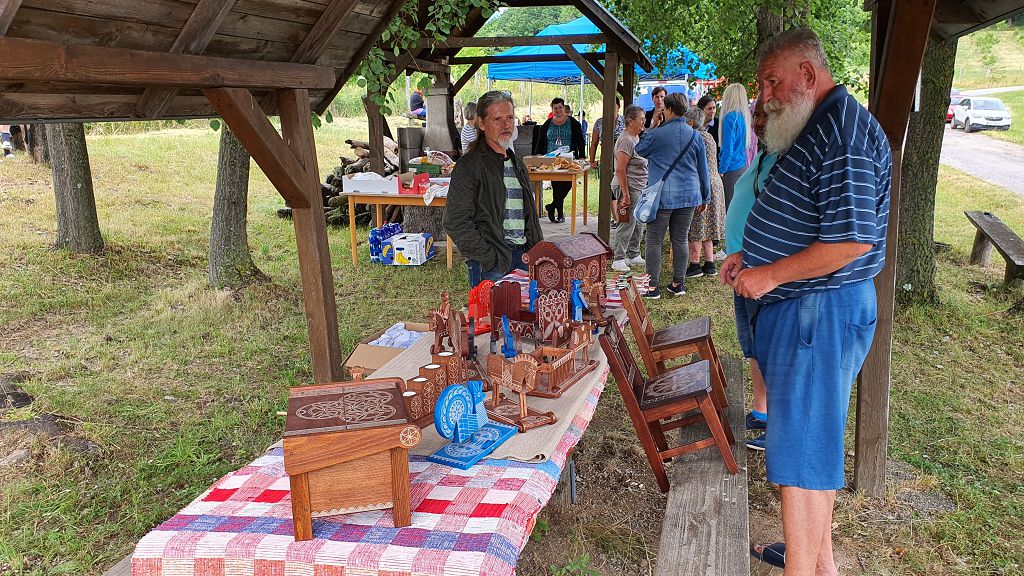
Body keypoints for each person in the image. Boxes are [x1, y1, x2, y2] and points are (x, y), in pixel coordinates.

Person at [721, 29, 890, 575]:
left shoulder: (841, 132)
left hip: (818, 311)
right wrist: (750, 254)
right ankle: (820, 565)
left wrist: (769, 275)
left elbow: (851, 241)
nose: (765, 96)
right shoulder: (818, 124)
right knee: (812, 448)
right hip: (812, 311)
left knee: (799, 457)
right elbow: (810, 220)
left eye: (773, 82)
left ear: (808, 75)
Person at [444, 91, 544, 288]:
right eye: (497, 119)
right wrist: (488, 257)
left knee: (524, 308)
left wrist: (534, 250)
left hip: (523, 258)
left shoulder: (516, 163)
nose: (506, 125)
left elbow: (528, 215)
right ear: (482, 124)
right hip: (492, 263)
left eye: (510, 118)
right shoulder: (469, 165)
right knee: (490, 309)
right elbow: (455, 220)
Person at [722, 96, 776, 452]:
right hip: (743, 268)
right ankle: (762, 411)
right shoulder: (763, 155)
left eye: (765, 116)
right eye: (755, 115)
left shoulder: (785, 159)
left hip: (762, 271)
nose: (758, 122)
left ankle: (778, 424)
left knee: (770, 348)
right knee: (754, 347)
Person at [636, 93, 710, 299]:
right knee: (680, 239)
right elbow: (703, 170)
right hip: (690, 195)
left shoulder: (657, 134)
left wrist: (654, 125)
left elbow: (640, 149)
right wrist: (705, 197)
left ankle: (652, 287)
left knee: (654, 240)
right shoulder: (696, 135)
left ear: (668, 109)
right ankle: (679, 284)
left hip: (662, 196)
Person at [683, 105, 725, 279]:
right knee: (709, 226)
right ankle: (709, 264)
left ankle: (694, 265)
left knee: (697, 224)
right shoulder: (708, 136)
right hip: (716, 183)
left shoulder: (694, 137)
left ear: (691, 122)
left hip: (701, 184)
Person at [533, 97, 585, 224]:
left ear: (564, 108)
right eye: (555, 108)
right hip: (552, 160)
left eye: (560, 107)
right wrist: (537, 155)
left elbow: (580, 140)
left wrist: (582, 156)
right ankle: (560, 214)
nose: (558, 110)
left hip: (568, 159)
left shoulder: (573, 123)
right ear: (552, 109)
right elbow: (540, 140)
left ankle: (552, 206)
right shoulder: (547, 124)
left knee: (567, 184)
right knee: (556, 186)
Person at [610, 105, 648, 272]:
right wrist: (625, 194)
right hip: (628, 186)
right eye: (641, 119)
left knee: (637, 221)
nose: (644, 121)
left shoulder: (636, 137)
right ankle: (618, 258)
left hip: (638, 186)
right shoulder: (626, 140)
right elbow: (620, 169)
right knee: (626, 222)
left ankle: (633, 253)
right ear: (631, 121)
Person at [718, 83, 752, 210]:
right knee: (737, 207)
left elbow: (728, 149)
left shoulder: (729, 118)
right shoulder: (743, 117)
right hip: (741, 165)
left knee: (729, 207)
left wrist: (721, 170)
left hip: (731, 168)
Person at [588, 96, 625, 168]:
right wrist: (591, 161)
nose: (610, 108)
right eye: (607, 105)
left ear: (618, 107)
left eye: (613, 105)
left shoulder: (625, 121)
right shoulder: (599, 122)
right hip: (605, 158)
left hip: (622, 158)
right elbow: (594, 143)